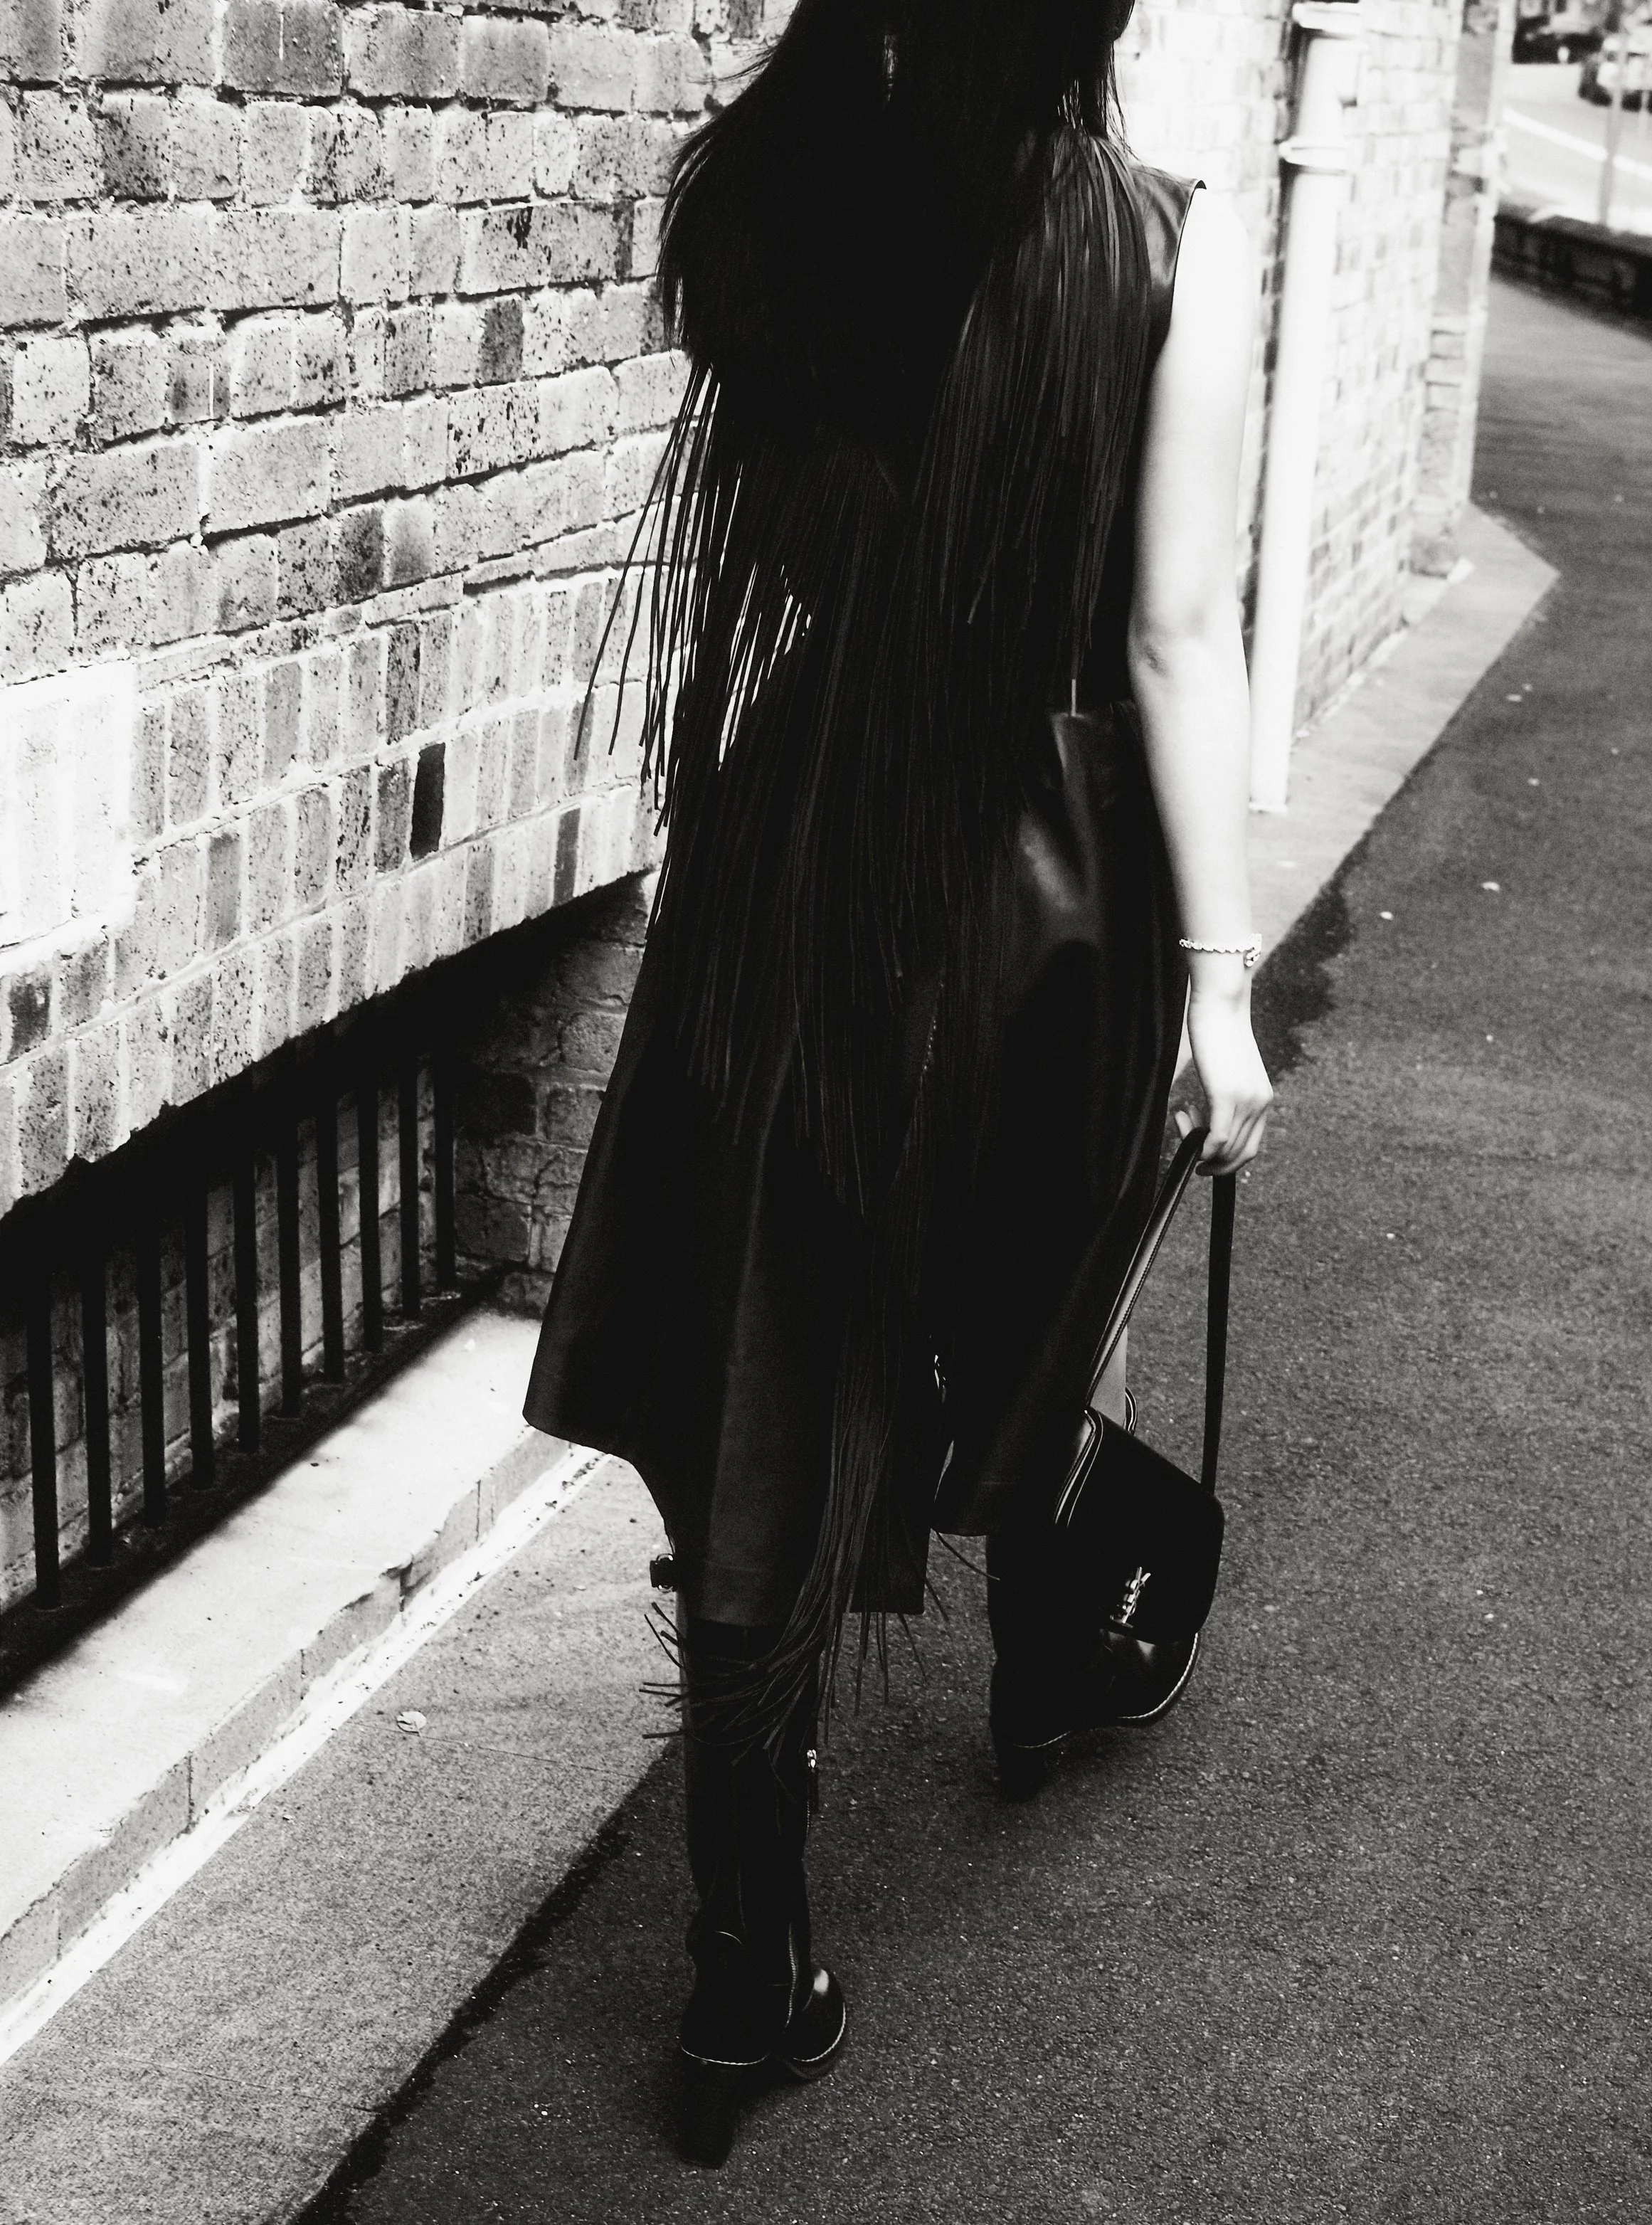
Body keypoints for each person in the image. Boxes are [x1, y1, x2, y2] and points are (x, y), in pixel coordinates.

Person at [524, 0, 1272, 2164]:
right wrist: (1219, 985)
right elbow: (1168, 638)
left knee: (775, 1362)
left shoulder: (774, 210)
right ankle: (1060, 1612)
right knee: (1025, 1279)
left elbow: (787, 529)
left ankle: (748, 1963)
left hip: (803, 851)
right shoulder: (1158, 246)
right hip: (1048, 899)